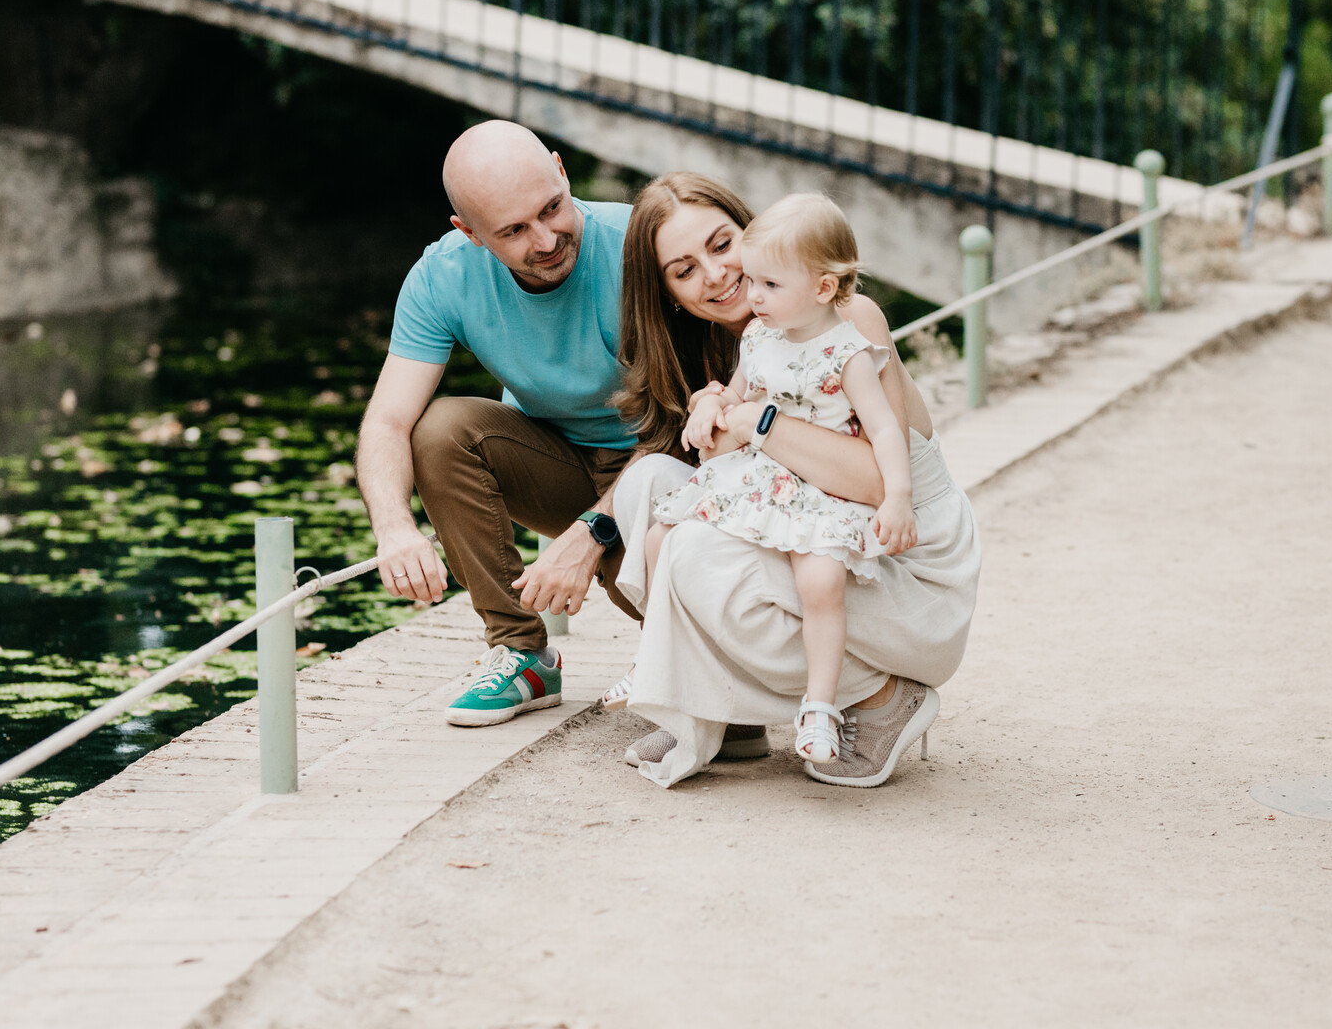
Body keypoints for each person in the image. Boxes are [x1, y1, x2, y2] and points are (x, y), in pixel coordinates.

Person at [605, 172, 982, 788]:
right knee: (649, 485)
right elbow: (734, 476)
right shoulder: (749, 337)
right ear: (667, 291)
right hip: (816, 522)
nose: (719, 276)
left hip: (901, 561)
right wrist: (719, 409)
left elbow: (872, 482)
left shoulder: (844, 318)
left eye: (722, 245)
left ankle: (881, 699)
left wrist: (754, 420)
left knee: (696, 556)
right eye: (685, 269)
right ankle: (721, 711)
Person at [354, 120, 639, 728]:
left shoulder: (642, 245)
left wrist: (592, 534)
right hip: (552, 453)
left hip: (661, 468)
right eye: (513, 230)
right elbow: (386, 422)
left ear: (562, 171)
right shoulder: (442, 276)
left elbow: (699, 433)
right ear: (470, 233)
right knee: (439, 428)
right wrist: (396, 529)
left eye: (552, 208)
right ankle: (522, 653)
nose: (546, 238)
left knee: (692, 644)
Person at [652, 194, 919, 765]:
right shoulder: (762, 334)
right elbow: (736, 399)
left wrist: (899, 497)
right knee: (662, 527)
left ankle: (831, 703)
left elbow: (884, 441)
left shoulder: (848, 341)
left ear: (821, 289)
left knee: (816, 580)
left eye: (765, 284)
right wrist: (711, 403)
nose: (749, 296)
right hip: (775, 482)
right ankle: (663, 670)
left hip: (837, 498)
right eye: (754, 282)